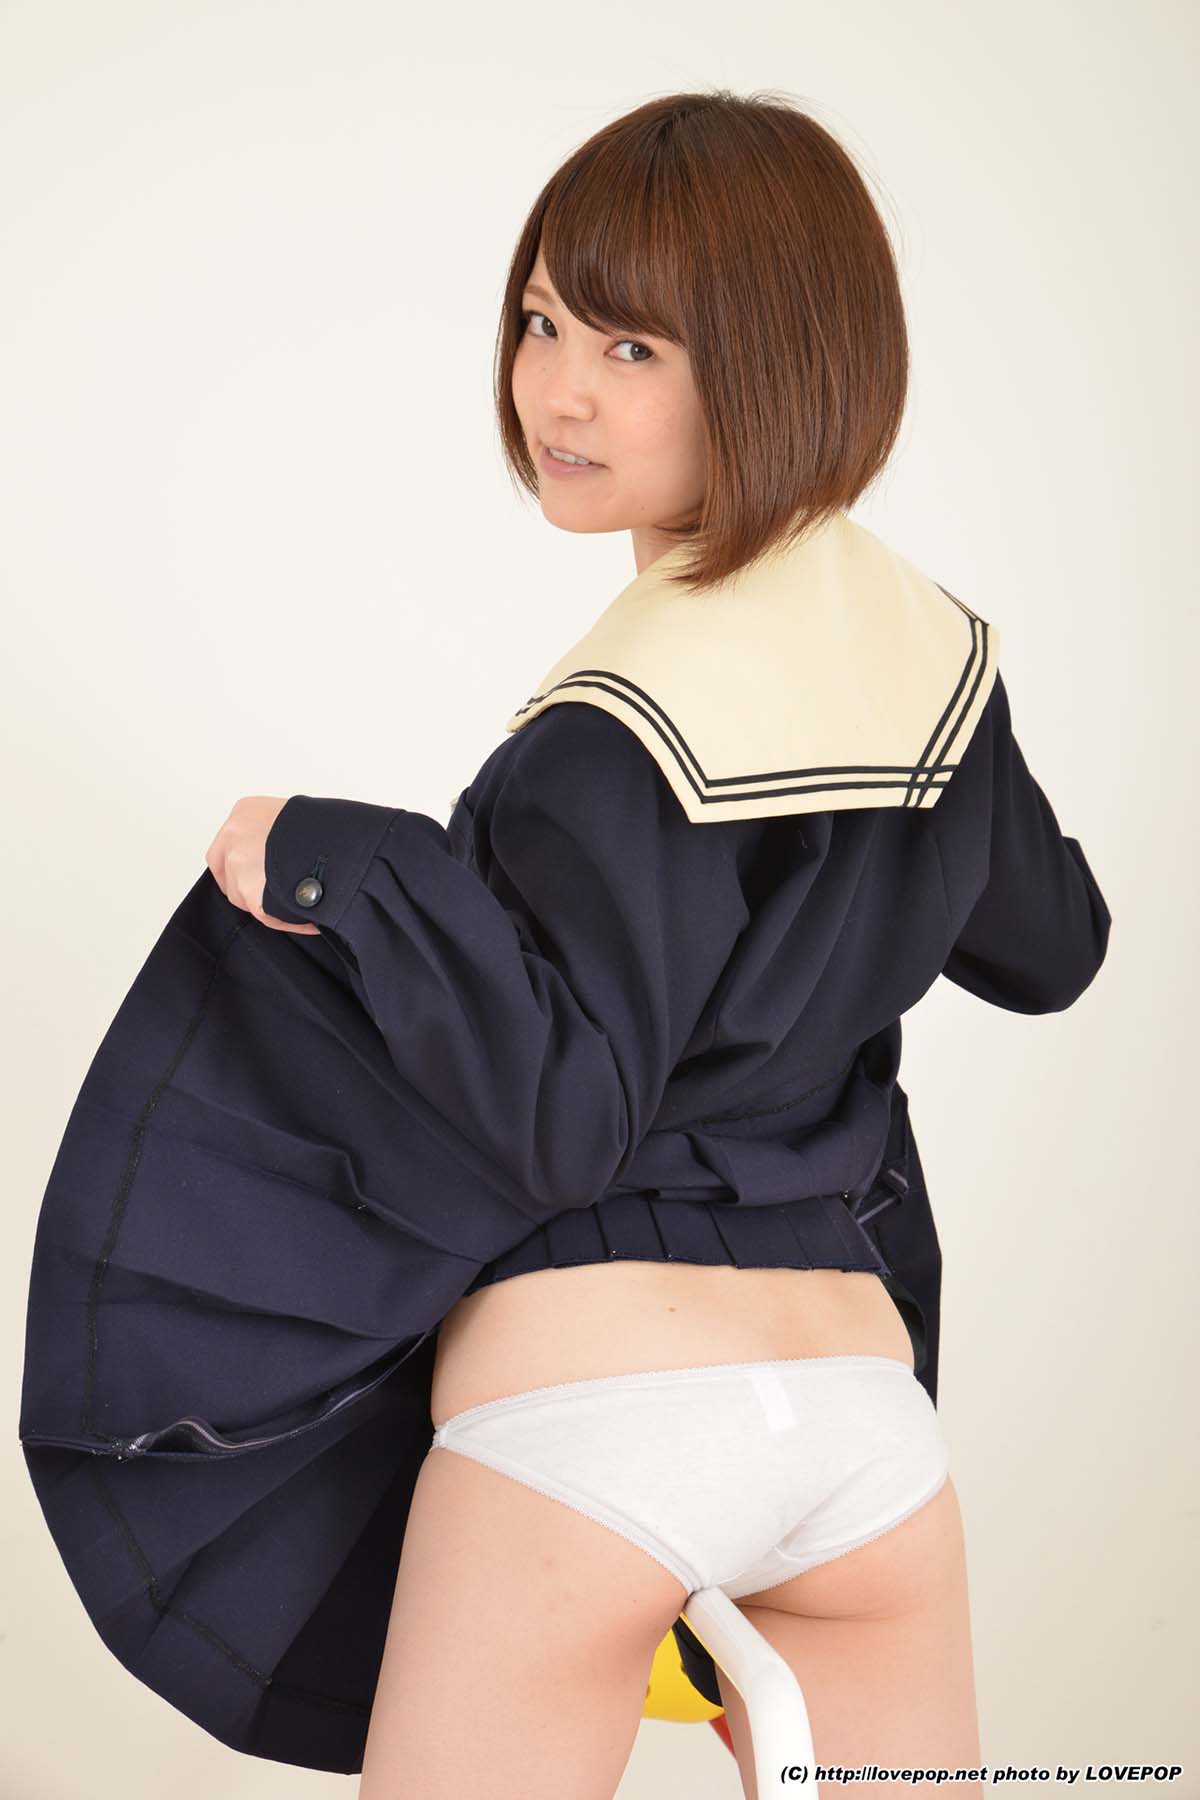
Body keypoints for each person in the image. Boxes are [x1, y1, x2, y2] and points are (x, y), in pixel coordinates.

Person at [18, 89, 1112, 1799]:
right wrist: (944, 757)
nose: (559, 390)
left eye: (631, 345)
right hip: (861, 1426)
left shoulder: (612, 728)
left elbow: (560, 1120)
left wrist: (339, 862)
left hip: (600, 1420)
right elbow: (1055, 950)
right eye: (542, 321)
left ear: (777, 360)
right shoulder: (928, 658)